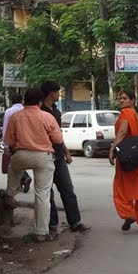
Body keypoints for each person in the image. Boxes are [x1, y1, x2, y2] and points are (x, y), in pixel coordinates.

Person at [0, 89, 66, 242]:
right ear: (40, 102)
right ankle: (41, 233)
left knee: (13, 168)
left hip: (22, 154)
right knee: (42, 195)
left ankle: (10, 194)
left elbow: (9, 141)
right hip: (43, 157)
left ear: (25, 101)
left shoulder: (16, 117)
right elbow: (57, 139)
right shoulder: (46, 116)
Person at [41, 81, 89, 234]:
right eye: (57, 92)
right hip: (45, 156)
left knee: (67, 189)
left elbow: (58, 135)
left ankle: (75, 221)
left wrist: (66, 152)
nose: (59, 94)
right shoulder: (40, 112)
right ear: (51, 93)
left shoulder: (55, 111)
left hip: (59, 156)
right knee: (48, 192)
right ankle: (52, 224)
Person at [108, 89, 138, 233]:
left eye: (125, 98)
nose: (121, 100)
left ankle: (129, 214)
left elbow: (122, 132)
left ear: (133, 100)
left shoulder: (126, 114)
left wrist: (112, 149)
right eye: (120, 98)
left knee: (121, 189)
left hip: (128, 159)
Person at [2, 92, 31, 193]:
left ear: (12, 101)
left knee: (14, 163)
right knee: (21, 160)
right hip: (27, 140)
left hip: (14, 141)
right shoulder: (26, 110)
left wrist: (5, 143)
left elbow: (5, 127)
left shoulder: (9, 111)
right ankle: (20, 183)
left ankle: (22, 179)